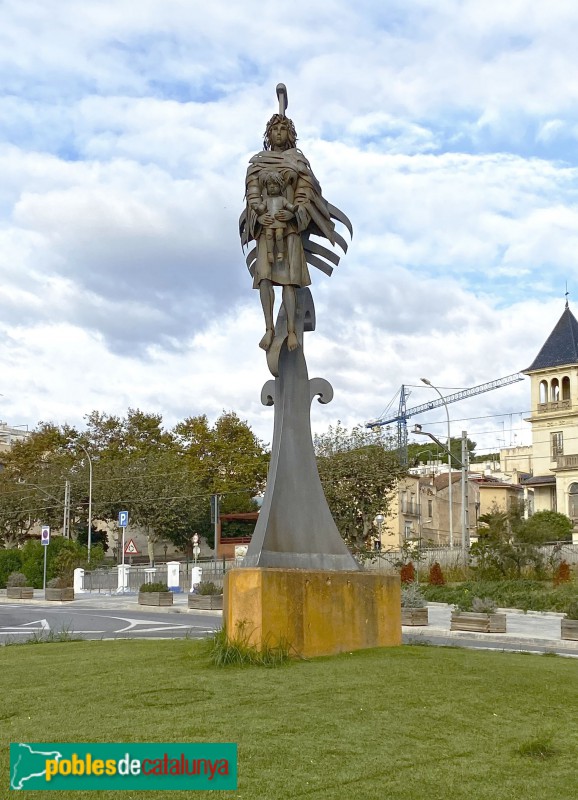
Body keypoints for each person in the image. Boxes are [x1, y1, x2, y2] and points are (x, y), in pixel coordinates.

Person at [243, 113, 337, 352]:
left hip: (290, 231)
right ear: (268, 134)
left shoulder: (297, 162)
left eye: (283, 129)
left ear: (290, 134)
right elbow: (253, 196)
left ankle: (292, 331)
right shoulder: (257, 164)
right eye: (274, 130)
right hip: (266, 230)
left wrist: (295, 213)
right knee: (265, 279)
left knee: (289, 281)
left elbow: (305, 194)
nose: (278, 133)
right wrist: (259, 216)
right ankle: (269, 328)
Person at [251, 170, 296, 266]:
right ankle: (270, 253)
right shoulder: (267, 200)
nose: (272, 187)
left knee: (279, 235)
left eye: (275, 184)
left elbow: (289, 206)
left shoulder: (282, 199)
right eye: (269, 185)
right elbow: (261, 208)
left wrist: (293, 210)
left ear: (280, 187)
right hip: (269, 221)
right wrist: (256, 209)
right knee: (268, 235)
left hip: (279, 221)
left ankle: (281, 252)